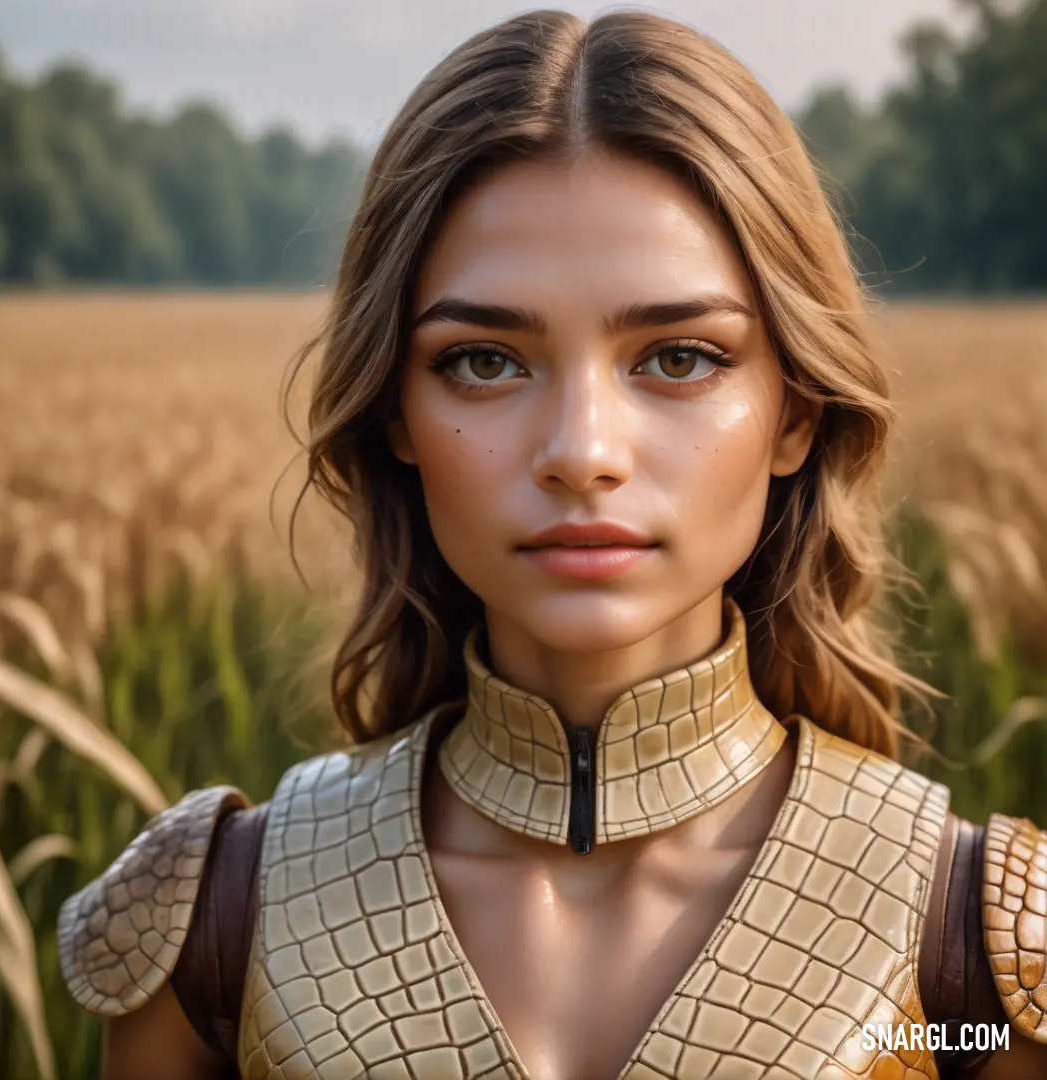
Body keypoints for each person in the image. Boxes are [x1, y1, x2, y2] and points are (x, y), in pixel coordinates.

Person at [57, 9, 1047, 1079]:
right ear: (394, 409)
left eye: (678, 357)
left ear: (796, 412)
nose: (581, 453)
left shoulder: (975, 956)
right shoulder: (213, 920)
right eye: (485, 361)